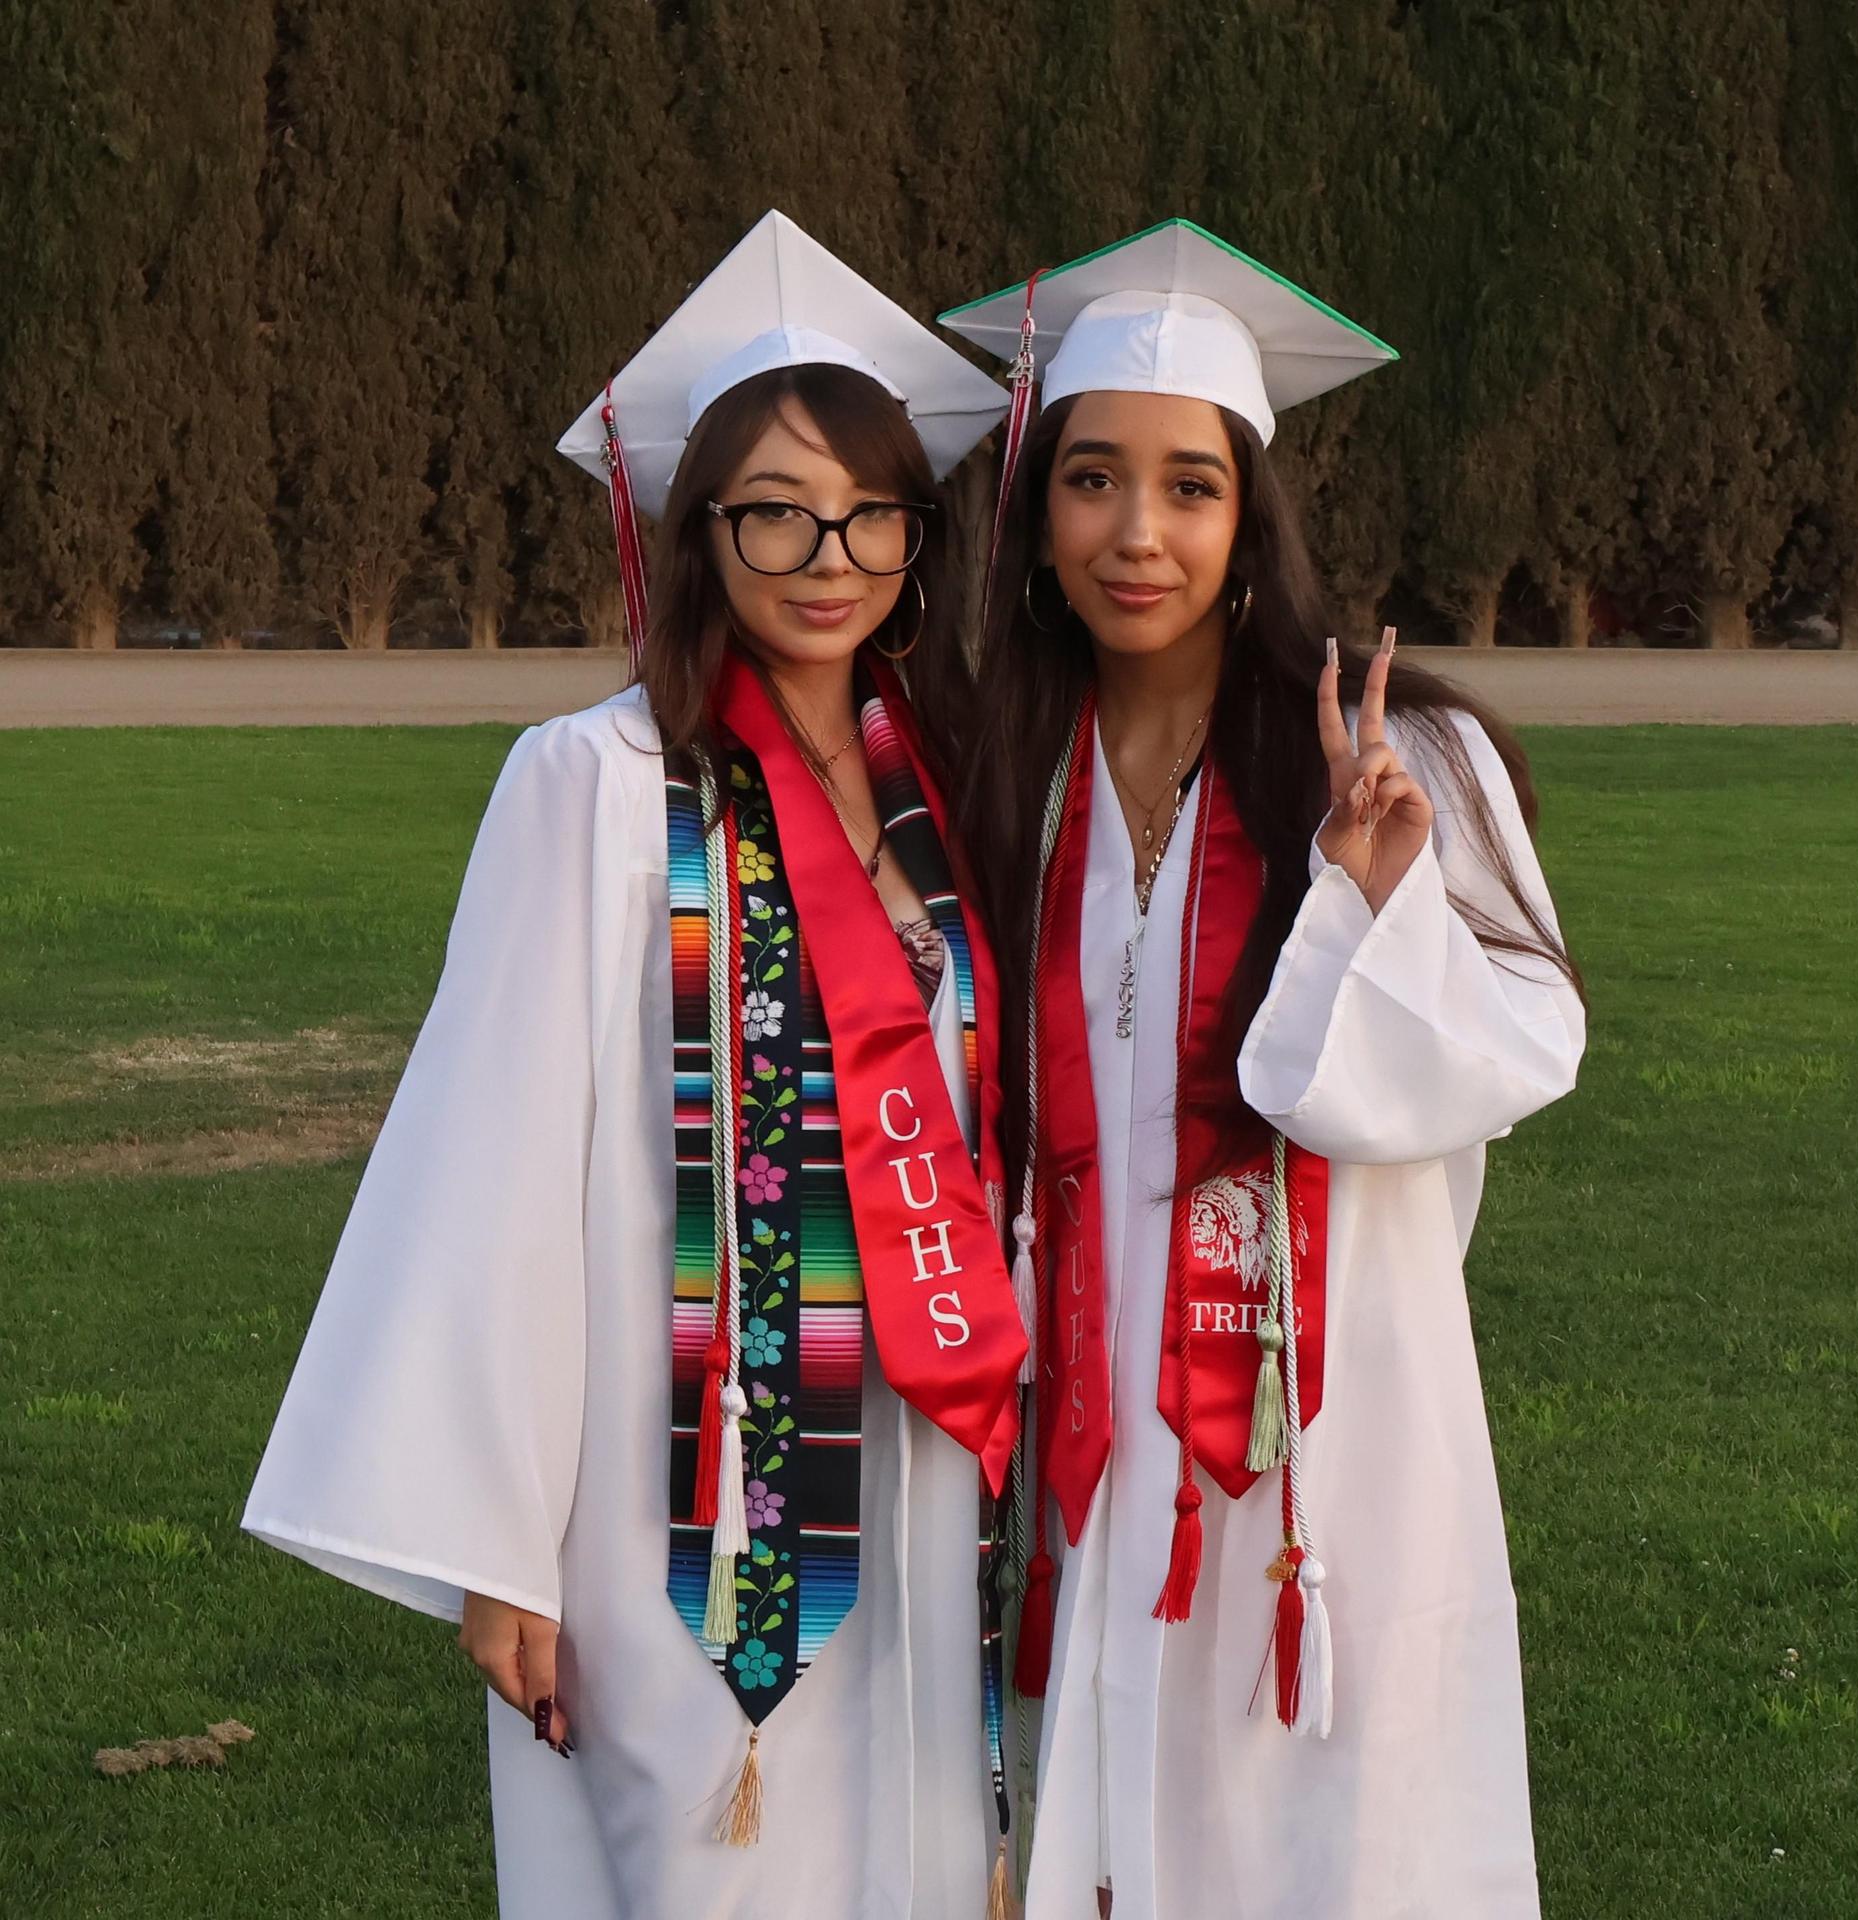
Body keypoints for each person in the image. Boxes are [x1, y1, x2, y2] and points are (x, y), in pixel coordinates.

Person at [245, 211, 1029, 1919]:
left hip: (932, 1449)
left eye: (869, 512)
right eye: (775, 511)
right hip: (684, 1480)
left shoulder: (955, 789)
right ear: (695, 528)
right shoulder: (594, 786)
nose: (828, 554)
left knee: (933, 1853)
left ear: (915, 529)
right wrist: (492, 1545)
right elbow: (487, 1162)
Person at [943, 219, 1588, 1918]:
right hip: (1092, 1408)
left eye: (1187, 484)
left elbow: (1523, 1047)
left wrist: (1379, 903)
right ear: (1037, 510)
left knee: (1329, 1837)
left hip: (1329, 1420)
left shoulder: (1394, 752)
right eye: (1091, 479)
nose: (1136, 531)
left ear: (1249, 517)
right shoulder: (1011, 767)